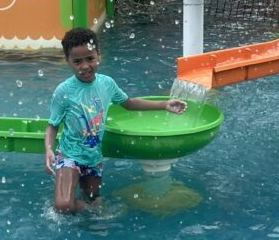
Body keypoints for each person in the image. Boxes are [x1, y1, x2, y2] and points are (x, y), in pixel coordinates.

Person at [44, 27, 186, 213]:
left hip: (93, 157)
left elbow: (130, 103)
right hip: (69, 155)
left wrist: (164, 105)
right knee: (63, 206)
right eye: (77, 62)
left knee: (94, 201)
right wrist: (48, 149)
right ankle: (88, 209)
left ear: (99, 55)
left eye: (90, 59)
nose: (85, 66)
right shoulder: (64, 91)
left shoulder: (106, 84)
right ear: (67, 61)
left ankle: (91, 209)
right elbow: (53, 125)